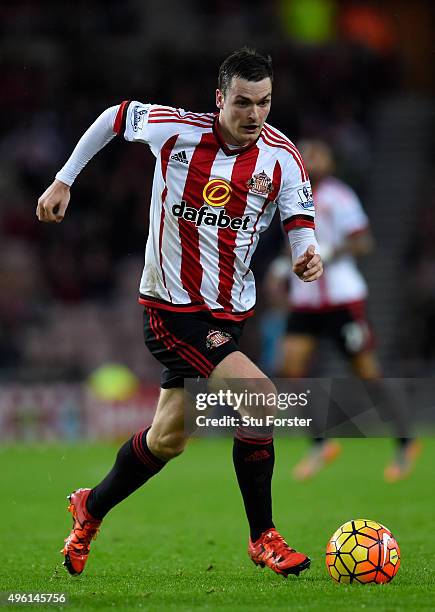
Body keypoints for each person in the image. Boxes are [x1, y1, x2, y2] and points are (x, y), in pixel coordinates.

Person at [36, 48, 323, 578]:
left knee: (167, 439)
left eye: (263, 103)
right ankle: (264, 537)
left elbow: (299, 220)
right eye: (242, 102)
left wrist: (308, 254)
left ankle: (89, 508)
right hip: (172, 309)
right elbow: (115, 117)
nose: (254, 114)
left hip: (229, 314)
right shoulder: (176, 130)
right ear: (220, 99)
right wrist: (64, 179)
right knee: (259, 398)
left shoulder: (283, 158)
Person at [265, 139, 420, 482]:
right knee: (290, 369)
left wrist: (330, 251)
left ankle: (406, 441)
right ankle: (321, 443)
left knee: (367, 373)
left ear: (330, 162)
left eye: (318, 154)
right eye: (305, 154)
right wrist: (278, 270)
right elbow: (291, 244)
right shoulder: (288, 196)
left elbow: (363, 240)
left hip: (341, 300)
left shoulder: (340, 196)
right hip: (306, 300)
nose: (310, 159)